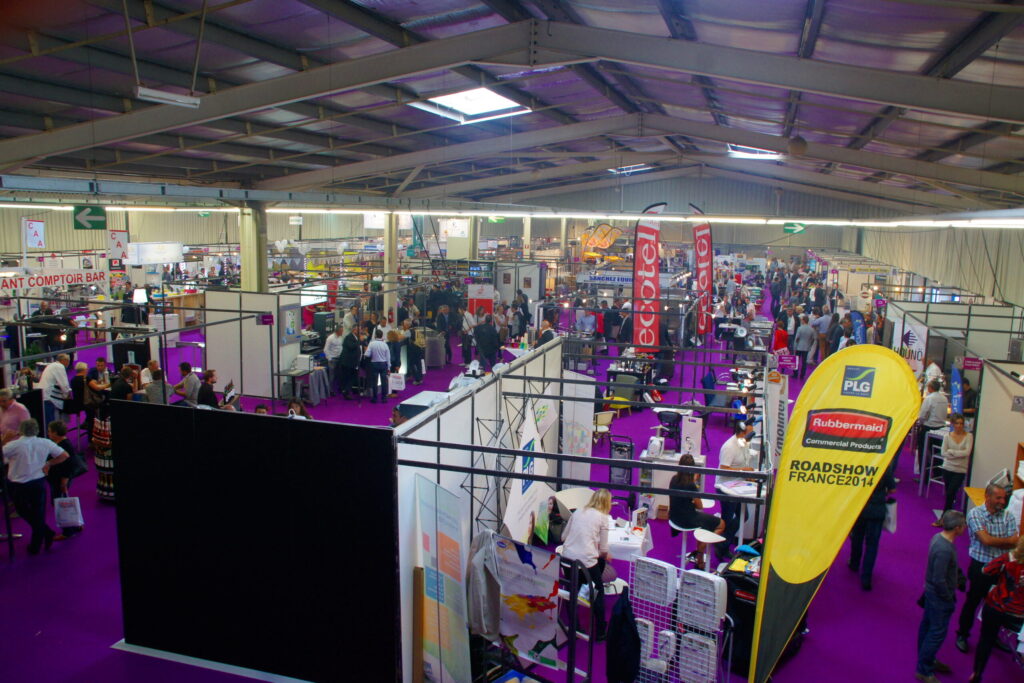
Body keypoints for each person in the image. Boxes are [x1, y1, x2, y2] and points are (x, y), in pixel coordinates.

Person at [955, 484, 1020, 653]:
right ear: (987, 496)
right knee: (973, 602)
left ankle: (992, 636)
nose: (1003, 501)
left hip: (1002, 569)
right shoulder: (975, 514)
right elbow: (986, 541)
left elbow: (1015, 542)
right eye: (998, 498)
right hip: (981, 567)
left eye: (1004, 498)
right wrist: (1005, 541)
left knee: (997, 606)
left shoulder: (1008, 516)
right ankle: (962, 634)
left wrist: (995, 539)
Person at [2, 419, 69, 554]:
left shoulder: (13, 445)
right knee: (38, 512)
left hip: (19, 485)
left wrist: (4, 440)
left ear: (21, 430)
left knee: (22, 511)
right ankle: (38, 542)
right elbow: (64, 455)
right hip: (38, 483)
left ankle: (43, 536)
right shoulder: (45, 442)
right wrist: (49, 463)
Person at [915, 510, 967, 683]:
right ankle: (924, 670)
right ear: (957, 528)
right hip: (939, 597)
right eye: (963, 525)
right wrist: (948, 597)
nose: (965, 528)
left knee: (927, 627)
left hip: (932, 594)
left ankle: (926, 660)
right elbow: (939, 579)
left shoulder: (938, 538)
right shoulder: (945, 549)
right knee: (936, 633)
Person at [968, 536, 1024, 683]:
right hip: (1018, 615)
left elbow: (985, 570)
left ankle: (977, 673)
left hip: (996, 606)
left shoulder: (1007, 558)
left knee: (985, 639)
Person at [560, 488, 612, 640]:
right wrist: (605, 556)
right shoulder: (603, 518)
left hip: (567, 560)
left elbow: (563, 537)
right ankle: (600, 631)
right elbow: (604, 550)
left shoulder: (577, 512)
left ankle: (575, 626)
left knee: (572, 592)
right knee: (598, 592)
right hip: (587, 563)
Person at [669, 454, 728, 565]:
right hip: (687, 519)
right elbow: (699, 506)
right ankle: (700, 551)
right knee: (721, 524)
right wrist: (694, 484)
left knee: (704, 524)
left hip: (674, 517)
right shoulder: (691, 485)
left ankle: (700, 559)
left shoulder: (673, 479)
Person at [848, 464, 897, 590]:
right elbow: (892, 490)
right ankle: (866, 577)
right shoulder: (884, 466)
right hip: (877, 510)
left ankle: (854, 563)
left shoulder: (858, 464)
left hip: (859, 509)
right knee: (872, 545)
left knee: (857, 538)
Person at [717, 421, 757, 550]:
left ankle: (723, 542)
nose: (751, 437)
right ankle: (722, 546)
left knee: (743, 516)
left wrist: (747, 474)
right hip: (725, 488)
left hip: (738, 485)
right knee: (727, 519)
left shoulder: (744, 443)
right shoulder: (729, 447)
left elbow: (743, 462)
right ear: (741, 433)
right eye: (749, 434)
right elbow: (724, 468)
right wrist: (743, 470)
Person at [46, 420, 86, 540]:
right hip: (58, 478)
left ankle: (68, 531)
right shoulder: (61, 443)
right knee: (62, 502)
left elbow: (69, 465)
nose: (48, 433)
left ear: (55, 433)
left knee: (60, 504)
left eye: (49, 431)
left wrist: (64, 481)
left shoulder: (64, 446)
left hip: (61, 479)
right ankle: (76, 524)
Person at [935, 414, 972, 525]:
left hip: (960, 470)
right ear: (952, 424)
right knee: (949, 494)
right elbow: (943, 453)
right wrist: (958, 454)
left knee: (951, 492)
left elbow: (967, 452)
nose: (959, 426)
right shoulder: (947, 436)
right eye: (957, 423)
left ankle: (944, 518)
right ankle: (949, 517)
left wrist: (952, 452)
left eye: (961, 423)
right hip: (947, 467)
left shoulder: (969, 436)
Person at [917, 379, 949, 475]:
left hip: (928, 427)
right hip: (941, 427)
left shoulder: (929, 398)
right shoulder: (944, 398)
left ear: (930, 388)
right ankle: (937, 472)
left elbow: (922, 415)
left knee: (923, 452)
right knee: (937, 451)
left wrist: (920, 422)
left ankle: (924, 474)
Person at [38, 353, 71, 426]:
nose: (68, 364)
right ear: (65, 360)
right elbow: (64, 384)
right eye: (68, 361)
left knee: (48, 422)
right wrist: (67, 394)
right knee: (51, 423)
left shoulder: (51, 365)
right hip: (49, 398)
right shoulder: (59, 366)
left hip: (44, 395)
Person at [366, 329, 392, 403]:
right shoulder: (385, 344)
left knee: (374, 382)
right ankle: (384, 398)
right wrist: (389, 367)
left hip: (374, 364)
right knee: (384, 382)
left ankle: (374, 398)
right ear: (382, 336)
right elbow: (388, 357)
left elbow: (367, 354)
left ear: (375, 336)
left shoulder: (371, 344)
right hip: (383, 364)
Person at [339, 326, 363, 399]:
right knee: (348, 377)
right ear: (354, 330)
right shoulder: (349, 337)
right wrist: (359, 341)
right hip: (348, 362)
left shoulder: (356, 338)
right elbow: (351, 346)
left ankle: (348, 390)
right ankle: (346, 392)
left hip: (354, 362)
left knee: (353, 377)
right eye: (359, 330)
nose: (360, 331)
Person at [792, 315, 816, 380]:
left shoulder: (800, 328)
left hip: (799, 347)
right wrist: (810, 345)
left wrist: (795, 346)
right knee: (804, 362)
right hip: (806, 347)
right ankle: (802, 375)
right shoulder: (811, 329)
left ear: (803, 320)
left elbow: (797, 338)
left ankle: (795, 373)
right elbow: (813, 339)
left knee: (797, 361)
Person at [323, 325, 345, 394]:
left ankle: (339, 388)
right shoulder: (330, 338)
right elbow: (325, 349)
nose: (343, 332)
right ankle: (330, 390)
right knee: (331, 376)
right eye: (342, 331)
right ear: (338, 331)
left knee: (340, 374)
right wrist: (329, 359)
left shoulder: (341, 337)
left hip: (340, 358)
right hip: (333, 359)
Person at [403, 319, 425, 385]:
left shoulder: (408, 331)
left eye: (404, 324)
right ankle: (420, 378)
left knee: (411, 364)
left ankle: (417, 379)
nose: (404, 326)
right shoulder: (416, 329)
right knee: (418, 364)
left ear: (407, 325)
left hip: (413, 350)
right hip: (419, 349)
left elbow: (402, 338)